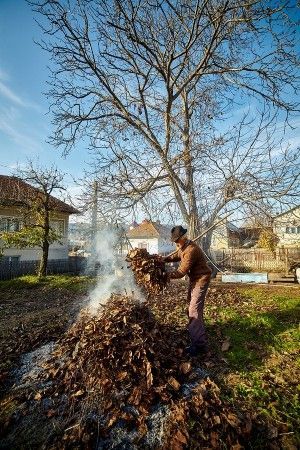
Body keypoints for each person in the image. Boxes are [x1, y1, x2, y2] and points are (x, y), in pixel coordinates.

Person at [163, 225, 212, 357]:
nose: (176, 244)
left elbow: (180, 272)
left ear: (183, 237)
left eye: (177, 241)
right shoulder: (184, 247)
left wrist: (164, 274)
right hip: (194, 279)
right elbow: (177, 256)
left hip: (201, 279)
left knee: (194, 310)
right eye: (175, 241)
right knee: (191, 306)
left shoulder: (191, 250)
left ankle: (200, 345)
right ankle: (197, 330)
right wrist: (163, 259)